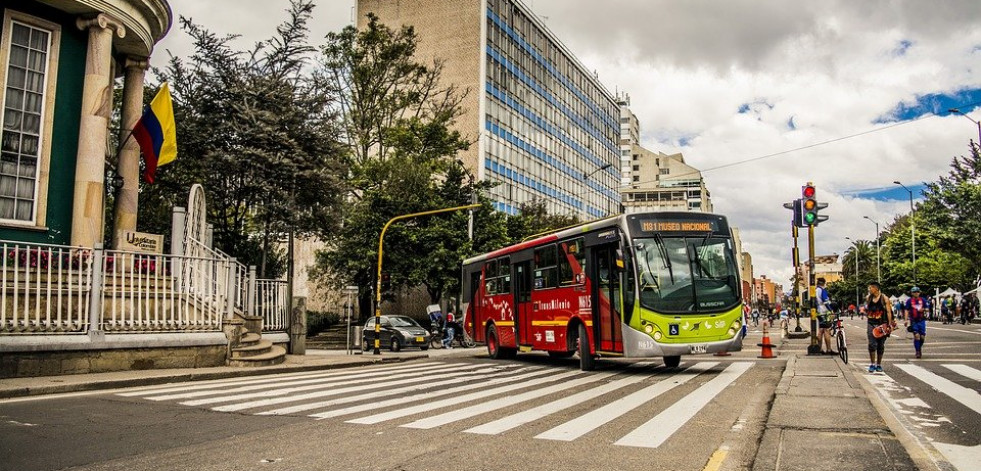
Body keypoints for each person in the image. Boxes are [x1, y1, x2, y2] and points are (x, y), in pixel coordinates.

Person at [866, 282, 896, 372]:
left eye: (871, 288)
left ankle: (878, 364)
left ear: (876, 288)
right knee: (872, 344)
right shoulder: (868, 298)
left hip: (882, 324)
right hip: (871, 323)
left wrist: (889, 324)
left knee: (880, 345)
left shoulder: (884, 298)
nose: (869, 289)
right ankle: (872, 364)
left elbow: (888, 312)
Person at [903, 287, 930, 358]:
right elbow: (906, 310)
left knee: (922, 337)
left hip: (922, 320)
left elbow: (927, 309)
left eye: (917, 292)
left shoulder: (923, 300)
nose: (916, 293)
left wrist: (923, 309)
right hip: (914, 321)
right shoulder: (909, 301)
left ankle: (919, 347)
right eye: (914, 292)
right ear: (912, 293)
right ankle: (918, 351)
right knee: (917, 336)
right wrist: (906, 320)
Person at [815, 278, 834, 355]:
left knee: (821, 330)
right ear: (823, 283)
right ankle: (829, 350)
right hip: (824, 312)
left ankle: (819, 348)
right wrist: (831, 310)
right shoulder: (822, 290)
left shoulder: (815, 290)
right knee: (827, 330)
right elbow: (825, 301)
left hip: (818, 313)